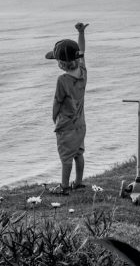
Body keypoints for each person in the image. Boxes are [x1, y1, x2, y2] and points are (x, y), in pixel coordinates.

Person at [45, 22, 89, 195]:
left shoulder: (62, 80)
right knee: (78, 153)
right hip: (80, 124)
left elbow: (57, 100)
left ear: (61, 63)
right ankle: (78, 182)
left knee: (65, 158)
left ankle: (64, 187)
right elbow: (83, 51)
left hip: (66, 126)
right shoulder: (83, 71)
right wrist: (81, 33)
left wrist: (54, 117)